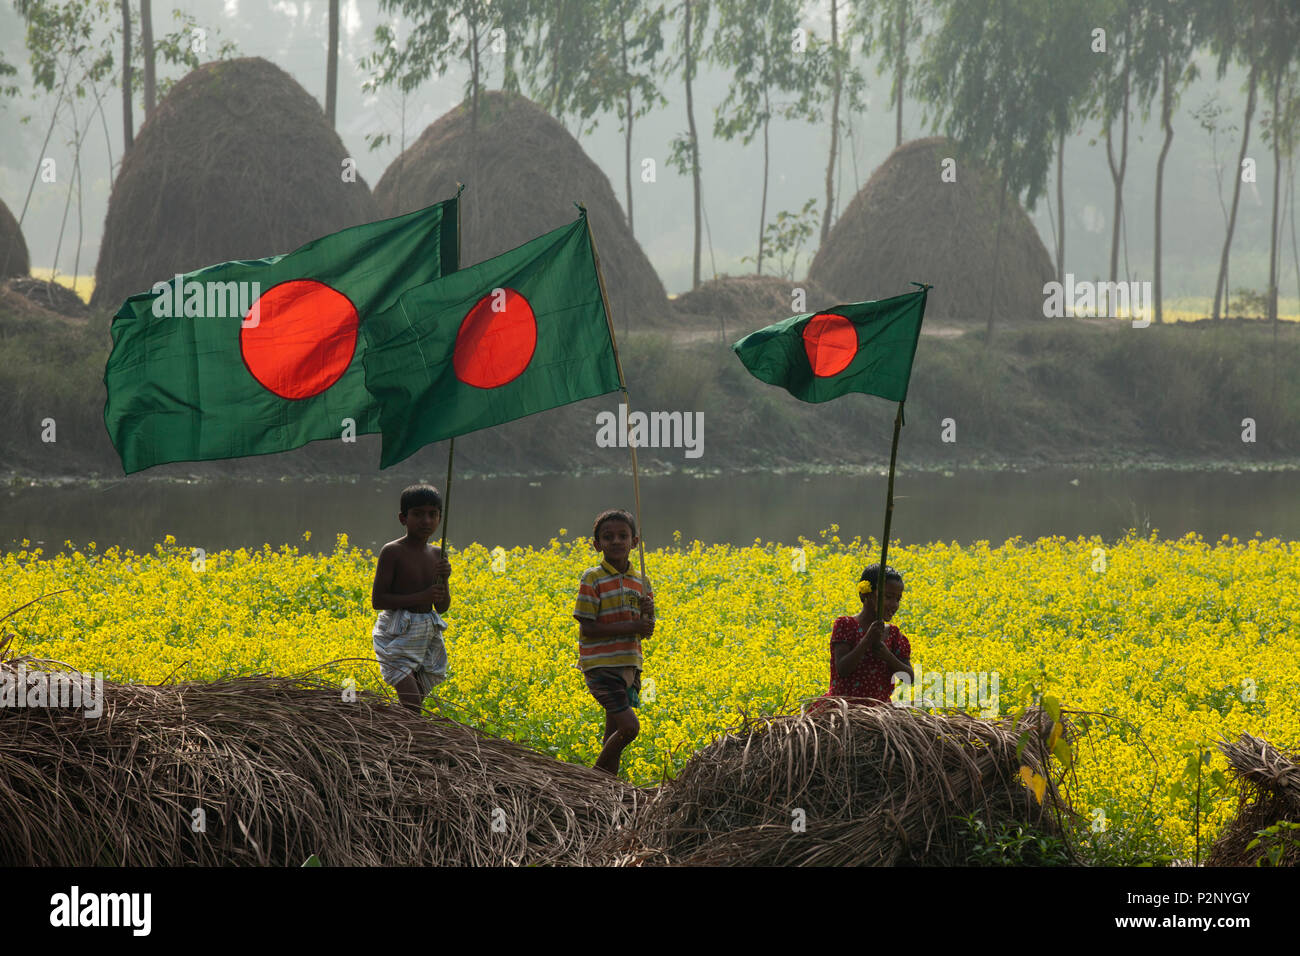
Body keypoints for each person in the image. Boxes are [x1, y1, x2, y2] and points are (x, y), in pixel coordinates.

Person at [573, 508, 655, 776]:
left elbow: (645, 632)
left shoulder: (641, 581)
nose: (616, 541)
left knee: (613, 732)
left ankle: (608, 786)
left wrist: (647, 617)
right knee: (629, 728)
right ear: (597, 545)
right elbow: (588, 627)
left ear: (635, 542)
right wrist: (633, 625)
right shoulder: (592, 578)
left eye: (623, 535)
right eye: (608, 537)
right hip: (601, 665)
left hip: (630, 665)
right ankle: (593, 778)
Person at [370, 483, 452, 713]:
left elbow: (442, 606)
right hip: (397, 631)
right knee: (412, 703)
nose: (426, 521)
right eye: (417, 514)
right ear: (402, 518)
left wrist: (444, 578)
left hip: (426, 630)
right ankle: (412, 742)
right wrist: (422, 596)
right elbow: (379, 600)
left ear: (440, 518)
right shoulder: (392, 551)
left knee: (414, 700)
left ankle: (396, 729)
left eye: (432, 514)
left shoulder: (438, 554)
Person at [811, 563, 913, 712]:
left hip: (880, 713)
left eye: (898, 599)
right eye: (888, 597)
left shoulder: (894, 635)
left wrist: (888, 656)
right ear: (867, 594)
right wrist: (867, 641)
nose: (894, 604)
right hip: (844, 710)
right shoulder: (845, 625)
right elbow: (842, 669)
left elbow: (909, 678)